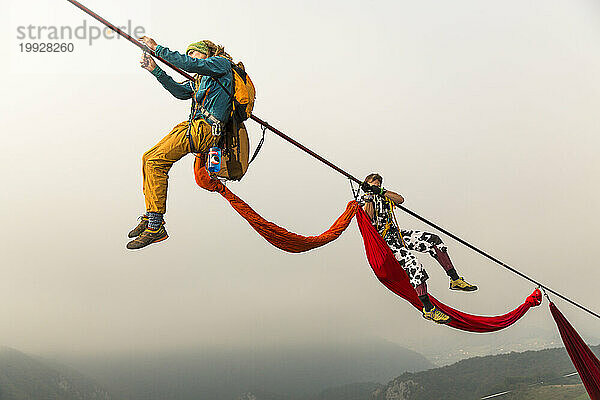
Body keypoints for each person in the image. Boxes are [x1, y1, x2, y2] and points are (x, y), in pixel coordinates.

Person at [126, 38, 233, 250]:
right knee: (149, 158)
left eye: (194, 52)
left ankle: (156, 225)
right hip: (196, 128)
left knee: (156, 161)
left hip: (205, 130)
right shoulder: (201, 79)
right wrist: (155, 70)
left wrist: (157, 49)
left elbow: (190, 64)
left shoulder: (220, 64)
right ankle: (151, 216)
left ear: (206, 53)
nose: (191, 56)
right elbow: (180, 92)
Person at [360, 173, 478, 324]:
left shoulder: (384, 195)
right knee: (414, 265)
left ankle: (454, 279)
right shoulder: (365, 201)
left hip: (398, 234)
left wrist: (380, 191)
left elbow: (400, 199)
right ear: (367, 184)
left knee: (433, 241)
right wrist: (369, 194)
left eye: (379, 184)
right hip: (386, 243)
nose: (377, 186)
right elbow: (367, 219)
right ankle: (429, 309)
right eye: (374, 184)